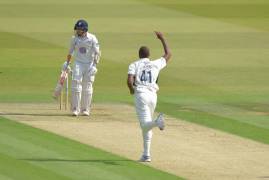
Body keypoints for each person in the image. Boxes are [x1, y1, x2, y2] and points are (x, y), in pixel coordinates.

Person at [127, 31, 172, 162]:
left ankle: (157, 122)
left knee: (145, 125)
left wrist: (131, 90)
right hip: (153, 96)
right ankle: (146, 154)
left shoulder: (134, 64)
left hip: (141, 94)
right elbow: (169, 54)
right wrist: (162, 38)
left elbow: (129, 80)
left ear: (139, 55)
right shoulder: (155, 63)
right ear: (149, 55)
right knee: (147, 126)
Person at [62, 19, 101, 116]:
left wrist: (95, 65)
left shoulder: (92, 38)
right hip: (78, 63)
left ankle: (85, 109)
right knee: (75, 85)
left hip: (89, 64)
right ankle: (75, 109)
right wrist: (67, 63)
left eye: (80, 29)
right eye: (77, 29)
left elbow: (97, 53)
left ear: (85, 30)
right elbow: (70, 52)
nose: (77, 31)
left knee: (87, 87)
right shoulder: (74, 39)